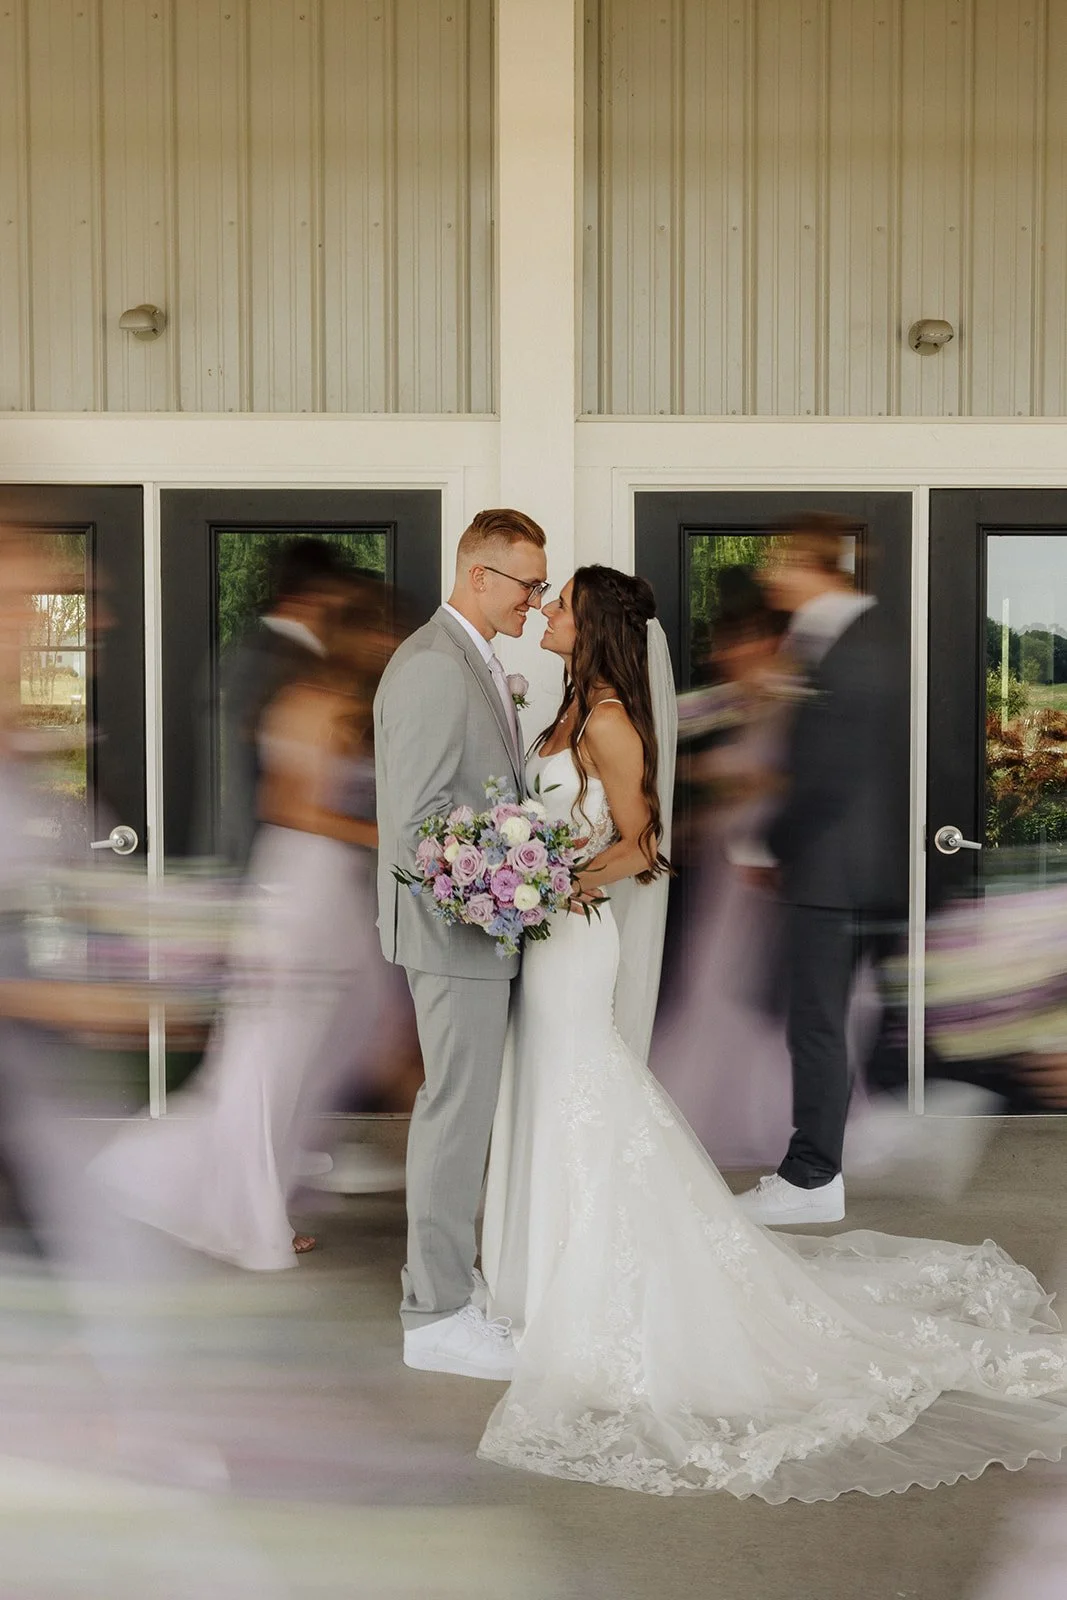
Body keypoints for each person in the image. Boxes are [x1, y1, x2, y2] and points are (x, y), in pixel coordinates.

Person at [477, 562, 1067, 1503]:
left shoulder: (610, 720)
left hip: (573, 939)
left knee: (582, 1086)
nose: (544, 612)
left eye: (559, 604)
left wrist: (556, 882)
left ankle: (578, 1282)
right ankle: (536, 1268)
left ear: (590, 625)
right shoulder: (561, 708)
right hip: (541, 937)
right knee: (550, 1089)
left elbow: (641, 843)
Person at [95, 577, 387, 1268]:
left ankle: (272, 1189)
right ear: (354, 640)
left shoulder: (355, 707)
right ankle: (212, 1199)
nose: (387, 646)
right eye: (379, 635)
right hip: (299, 889)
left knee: (338, 1041)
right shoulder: (305, 703)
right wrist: (386, 836)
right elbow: (288, 807)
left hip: (338, 893)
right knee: (268, 1061)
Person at [374, 507, 548, 1378]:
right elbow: (419, 827)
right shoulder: (433, 666)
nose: (535, 601)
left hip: (478, 930)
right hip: (455, 933)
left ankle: (452, 1285)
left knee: (469, 1111)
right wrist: (507, 885)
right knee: (454, 1114)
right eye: (528, 585)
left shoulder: (470, 659)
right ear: (479, 574)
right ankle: (434, 1315)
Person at [735, 515, 894, 1226]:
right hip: (852, 868)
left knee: (817, 1026)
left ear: (813, 564)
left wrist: (768, 843)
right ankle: (828, 1160)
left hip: (834, 870)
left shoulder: (852, 645)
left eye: (780, 560)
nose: (771, 574)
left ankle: (812, 1178)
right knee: (825, 1021)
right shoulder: (836, 638)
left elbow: (827, 773)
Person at [214, 537, 351, 871]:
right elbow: (241, 775)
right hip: (266, 868)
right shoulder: (270, 665)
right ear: (314, 597)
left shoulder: (251, 655)